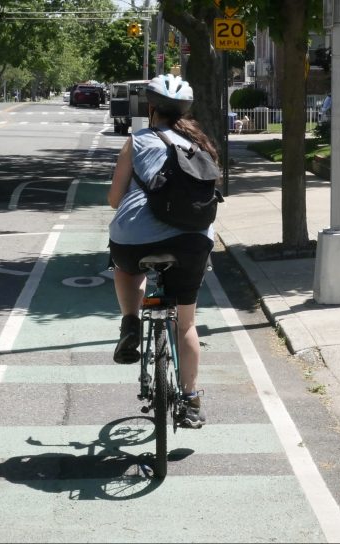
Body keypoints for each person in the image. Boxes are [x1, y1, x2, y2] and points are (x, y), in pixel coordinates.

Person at [107, 74, 218, 429]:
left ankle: (130, 322)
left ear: (151, 108)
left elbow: (114, 199)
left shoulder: (137, 141)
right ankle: (190, 400)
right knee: (186, 324)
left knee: (125, 265)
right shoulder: (200, 145)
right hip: (192, 241)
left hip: (134, 238)